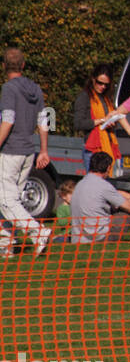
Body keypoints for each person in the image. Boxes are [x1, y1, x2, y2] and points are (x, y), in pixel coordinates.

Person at [0, 47, 53, 257]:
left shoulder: (9, 89)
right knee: (10, 200)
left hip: (10, 151)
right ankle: (6, 245)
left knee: (5, 200)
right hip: (29, 152)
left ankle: (37, 232)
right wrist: (44, 150)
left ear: (4, 66)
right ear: (23, 65)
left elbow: (8, 120)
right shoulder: (36, 89)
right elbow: (44, 120)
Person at [63, 151, 130, 244]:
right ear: (108, 168)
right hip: (99, 237)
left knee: (126, 206)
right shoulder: (103, 185)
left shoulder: (81, 183)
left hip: (79, 238)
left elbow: (117, 194)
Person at [73, 65, 121, 173]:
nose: (103, 86)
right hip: (93, 149)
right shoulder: (84, 97)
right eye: (100, 83)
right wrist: (103, 120)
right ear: (93, 79)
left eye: (106, 84)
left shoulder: (106, 98)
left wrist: (112, 122)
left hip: (107, 148)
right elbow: (78, 123)